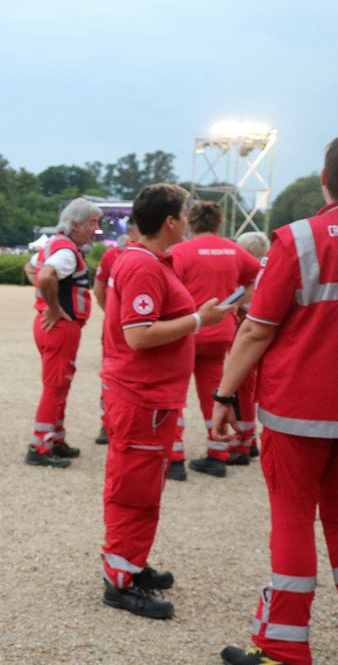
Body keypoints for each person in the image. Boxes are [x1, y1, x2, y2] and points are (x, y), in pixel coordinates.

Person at [216, 134, 338, 665]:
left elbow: (255, 329)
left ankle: (283, 648)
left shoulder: (299, 239)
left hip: (300, 410)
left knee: (293, 517)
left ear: (324, 179)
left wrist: (225, 395)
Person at [98, 183, 233, 619]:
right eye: (185, 212)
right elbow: (138, 335)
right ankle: (120, 580)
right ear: (171, 222)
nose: (190, 220)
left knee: (142, 485)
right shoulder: (143, 265)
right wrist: (199, 320)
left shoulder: (148, 260)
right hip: (142, 395)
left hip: (149, 396)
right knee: (133, 488)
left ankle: (131, 564)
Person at [165, 201, 260, 480]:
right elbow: (259, 277)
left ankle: (175, 458)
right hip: (221, 333)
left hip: (188, 331)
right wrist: (234, 304)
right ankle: (218, 454)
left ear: (189, 223)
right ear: (219, 223)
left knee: (175, 396)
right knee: (216, 394)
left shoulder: (180, 251)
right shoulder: (234, 249)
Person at [23, 198, 101, 468]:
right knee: (55, 387)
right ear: (75, 224)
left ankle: (55, 438)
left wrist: (47, 302)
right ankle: (40, 447)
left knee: (58, 385)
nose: (96, 229)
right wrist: (54, 306)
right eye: (93, 223)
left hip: (48, 325)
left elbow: (31, 267)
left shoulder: (54, 243)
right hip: (61, 326)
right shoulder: (68, 251)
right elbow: (45, 276)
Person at [92, 217, 138, 445]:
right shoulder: (112, 254)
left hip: (127, 329)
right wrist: (114, 315)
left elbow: (98, 289)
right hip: (121, 329)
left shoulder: (115, 255)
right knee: (112, 376)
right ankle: (107, 422)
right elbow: (98, 290)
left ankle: (118, 424)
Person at [228, 230, 271, 463]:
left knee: (243, 386)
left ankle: (243, 442)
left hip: (247, 330)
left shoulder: (253, 279)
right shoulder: (269, 272)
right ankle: (250, 439)